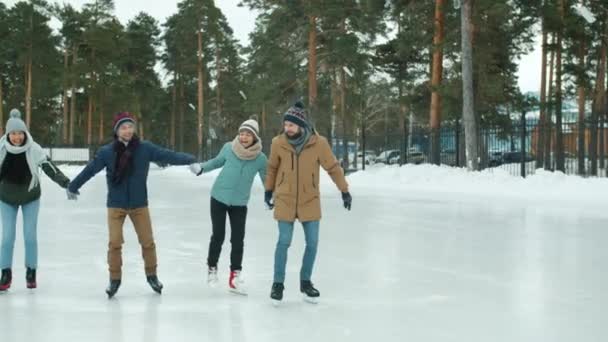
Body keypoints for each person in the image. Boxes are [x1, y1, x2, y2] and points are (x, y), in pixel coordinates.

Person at [67, 112, 196, 298]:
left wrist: (189, 159)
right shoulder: (106, 152)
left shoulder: (145, 148)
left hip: (139, 204)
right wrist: (73, 186)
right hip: (116, 205)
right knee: (115, 242)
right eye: (123, 127)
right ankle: (114, 279)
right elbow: (90, 170)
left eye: (130, 126)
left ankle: (152, 276)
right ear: (117, 131)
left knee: (148, 242)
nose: (127, 130)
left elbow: (168, 155)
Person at [264, 102, 352, 304]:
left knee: (312, 243)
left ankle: (305, 282)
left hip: (309, 199)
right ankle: (278, 284)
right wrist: (268, 191)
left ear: (301, 125)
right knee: (283, 241)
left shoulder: (318, 143)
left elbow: (332, 167)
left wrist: (344, 190)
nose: (287, 129)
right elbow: (272, 168)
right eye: (285, 124)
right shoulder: (278, 142)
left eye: (291, 125)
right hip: (285, 198)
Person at [189, 119, 267, 295]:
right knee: (218, 235)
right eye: (242, 133)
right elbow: (216, 162)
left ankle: (234, 277)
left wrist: (271, 195)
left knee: (238, 239)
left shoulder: (260, 159)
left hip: (240, 202)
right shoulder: (229, 148)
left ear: (254, 137)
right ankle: (212, 267)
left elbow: (266, 179)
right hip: (219, 197)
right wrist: (201, 168)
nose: (244, 137)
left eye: (248, 134)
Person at [0, 109, 71, 291]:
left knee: (30, 237)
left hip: (30, 196)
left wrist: (65, 183)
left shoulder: (34, 148)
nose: (17, 137)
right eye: (13, 134)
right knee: (7, 238)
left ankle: (31, 271)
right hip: (6, 198)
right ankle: (5, 273)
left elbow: (49, 167)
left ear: (25, 133)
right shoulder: (1, 149)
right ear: (8, 134)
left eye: (20, 133)